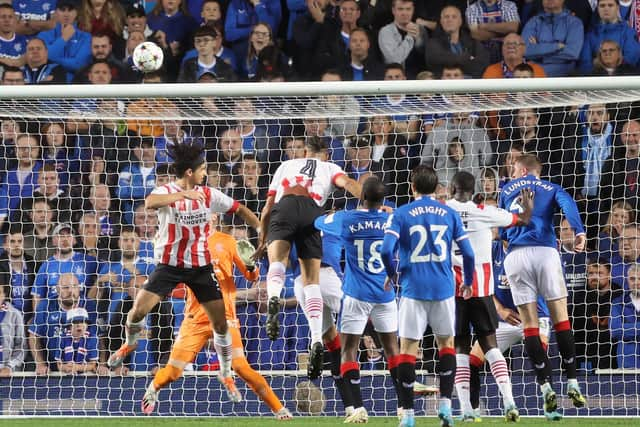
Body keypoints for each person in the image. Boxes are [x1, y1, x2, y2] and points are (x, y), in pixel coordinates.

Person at [107, 141, 260, 389]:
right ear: (190, 172)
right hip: (169, 266)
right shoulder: (166, 191)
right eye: (202, 169)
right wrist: (182, 195)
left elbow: (240, 209)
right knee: (137, 312)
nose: (205, 174)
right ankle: (130, 343)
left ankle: (225, 372)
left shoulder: (210, 194)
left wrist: (260, 228)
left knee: (220, 323)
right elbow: (149, 202)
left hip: (200, 268)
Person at [141, 216, 292, 419]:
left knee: (241, 367)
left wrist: (250, 266)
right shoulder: (185, 244)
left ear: (215, 218)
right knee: (173, 372)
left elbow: (252, 277)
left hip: (225, 315)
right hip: (196, 317)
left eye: (209, 214)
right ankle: (153, 388)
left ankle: (278, 408)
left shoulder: (228, 242)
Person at [256, 136, 361, 379]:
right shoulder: (330, 168)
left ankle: (273, 297)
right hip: (312, 211)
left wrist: (263, 240)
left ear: (304, 151)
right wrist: (367, 200)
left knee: (278, 262)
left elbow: (268, 207)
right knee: (310, 280)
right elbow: (347, 183)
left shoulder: (287, 165)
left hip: (286, 205)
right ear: (327, 155)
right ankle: (315, 339)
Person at [381, 165, 476, 427]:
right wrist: (467, 282)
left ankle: (408, 415)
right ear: (437, 189)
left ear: (412, 186)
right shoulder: (449, 213)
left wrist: (393, 274)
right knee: (446, 345)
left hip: (413, 288)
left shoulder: (401, 214)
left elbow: (386, 251)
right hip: (444, 288)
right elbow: (469, 254)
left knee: (408, 350)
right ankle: (446, 405)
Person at [500, 154, 587, 420]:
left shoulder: (505, 189)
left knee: (530, 326)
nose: (513, 174)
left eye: (515, 170)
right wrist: (579, 231)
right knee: (561, 320)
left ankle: (545, 386)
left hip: (515, 256)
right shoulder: (552, 188)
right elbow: (568, 205)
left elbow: (504, 227)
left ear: (523, 169)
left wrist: (507, 238)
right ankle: (572, 382)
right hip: (546, 252)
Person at [446, 171, 533, 422]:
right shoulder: (484, 211)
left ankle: (466, 411)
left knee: (460, 348)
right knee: (491, 346)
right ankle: (509, 402)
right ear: (473, 191)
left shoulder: (443, 210)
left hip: (454, 289)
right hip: (482, 288)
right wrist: (527, 205)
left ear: (452, 188)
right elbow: (522, 220)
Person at [314, 176, 401, 424]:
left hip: (355, 294)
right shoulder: (391, 219)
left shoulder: (345, 218)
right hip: (385, 293)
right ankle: (403, 407)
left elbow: (319, 221)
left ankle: (358, 408)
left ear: (361, 197)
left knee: (349, 350)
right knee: (392, 348)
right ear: (383, 200)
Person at [467, 233, 552, 419]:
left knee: (539, 352)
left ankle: (550, 407)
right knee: (471, 361)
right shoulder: (490, 250)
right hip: (504, 319)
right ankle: (473, 412)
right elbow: (482, 283)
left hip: (533, 316)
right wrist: (501, 309)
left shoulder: (530, 251)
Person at [54, 307, 99, 375]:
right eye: (75, 322)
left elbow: (92, 364)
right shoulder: (61, 338)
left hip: (86, 374)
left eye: (82, 322)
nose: (79, 325)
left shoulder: (92, 338)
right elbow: (59, 365)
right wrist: (66, 367)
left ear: (87, 325)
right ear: (69, 326)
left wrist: (77, 367)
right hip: (66, 373)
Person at [0, 273, 25, 376]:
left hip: (8, 373)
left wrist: (9, 366)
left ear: (4, 295)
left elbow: (21, 346)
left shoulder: (14, 314)